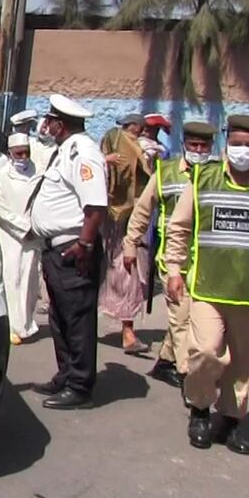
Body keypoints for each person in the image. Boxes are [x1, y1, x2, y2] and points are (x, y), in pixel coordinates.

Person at [165, 115, 249, 455]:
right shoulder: (203, 179)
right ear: (227, 142)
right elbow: (179, 228)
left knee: (244, 365)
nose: (243, 150)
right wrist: (174, 269)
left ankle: (230, 421)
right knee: (205, 352)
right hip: (207, 289)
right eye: (237, 143)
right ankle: (199, 410)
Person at [28, 94, 107, 410]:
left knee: (77, 319)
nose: (45, 126)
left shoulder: (83, 153)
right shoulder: (65, 151)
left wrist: (85, 245)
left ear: (60, 125)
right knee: (61, 318)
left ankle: (80, 386)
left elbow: (96, 206)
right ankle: (66, 374)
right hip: (57, 250)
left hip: (74, 250)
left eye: (49, 121)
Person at [122, 121, 216, 390]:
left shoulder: (217, 175)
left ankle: (165, 362)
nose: (199, 150)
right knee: (182, 320)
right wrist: (131, 244)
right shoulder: (166, 173)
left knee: (189, 319)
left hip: (208, 263)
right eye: (194, 145)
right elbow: (142, 211)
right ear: (185, 143)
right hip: (174, 262)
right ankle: (190, 378)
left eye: (204, 146)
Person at [100, 113, 153, 354]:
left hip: (135, 221)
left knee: (130, 275)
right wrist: (105, 161)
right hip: (117, 222)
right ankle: (127, 332)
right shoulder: (119, 143)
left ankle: (127, 331)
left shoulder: (146, 150)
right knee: (122, 273)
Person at [0, 133, 42, 345]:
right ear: (11, 154)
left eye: (26, 152)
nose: (23, 157)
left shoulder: (39, 173)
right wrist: (23, 227)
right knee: (12, 279)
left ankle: (27, 323)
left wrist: (36, 226)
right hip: (10, 236)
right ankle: (13, 325)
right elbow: (1, 209)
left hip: (34, 236)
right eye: (18, 153)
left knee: (30, 279)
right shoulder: (3, 176)